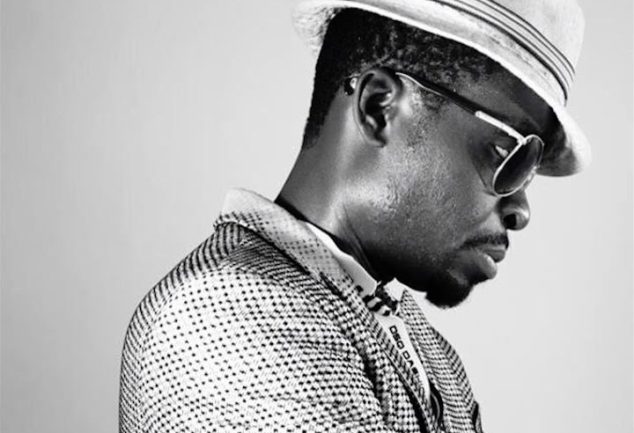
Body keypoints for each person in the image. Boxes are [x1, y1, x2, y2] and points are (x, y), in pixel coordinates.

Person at [119, 0, 589, 431]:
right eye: (509, 153)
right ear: (379, 107)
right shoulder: (227, 314)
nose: (522, 209)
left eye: (532, 171)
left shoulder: (432, 356)